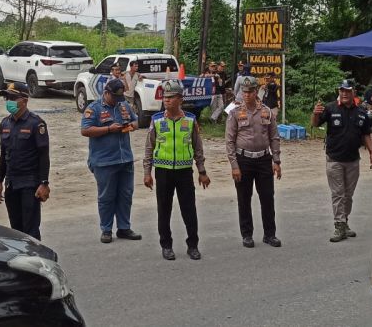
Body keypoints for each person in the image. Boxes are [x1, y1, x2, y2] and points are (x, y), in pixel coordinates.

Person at [143, 79, 211, 261]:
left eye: (171, 97)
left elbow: (198, 148)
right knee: (163, 210)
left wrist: (202, 171)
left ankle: (193, 245)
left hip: (184, 172)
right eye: (165, 97)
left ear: (180, 99)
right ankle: (166, 246)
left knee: (189, 210)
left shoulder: (190, 120)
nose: (167, 100)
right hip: (163, 172)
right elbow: (149, 148)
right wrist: (147, 172)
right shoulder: (156, 120)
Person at [311, 80, 372, 242]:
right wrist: (315, 113)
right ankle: (339, 225)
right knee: (338, 194)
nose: (344, 94)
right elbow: (314, 124)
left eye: (347, 91)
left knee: (348, 195)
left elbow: (366, 134)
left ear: (353, 92)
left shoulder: (361, 112)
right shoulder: (330, 108)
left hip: (353, 160)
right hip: (334, 159)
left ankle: (344, 221)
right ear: (339, 92)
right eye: (342, 91)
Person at [81, 78, 142, 244]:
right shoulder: (93, 109)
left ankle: (123, 228)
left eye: (119, 98)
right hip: (104, 161)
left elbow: (136, 120)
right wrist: (108, 129)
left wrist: (131, 125)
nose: (117, 101)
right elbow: (85, 130)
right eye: (114, 97)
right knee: (107, 197)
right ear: (106, 93)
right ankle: (106, 230)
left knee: (125, 195)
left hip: (125, 159)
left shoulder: (123, 105)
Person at [225, 75, 282, 248]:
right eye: (244, 91)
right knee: (244, 198)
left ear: (257, 91)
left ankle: (270, 234)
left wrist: (277, 160)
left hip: (264, 159)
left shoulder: (266, 111)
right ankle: (247, 234)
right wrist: (234, 165)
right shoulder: (235, 112)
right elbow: (229, 141)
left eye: (250, 91)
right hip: (244, 160)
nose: (247, 94)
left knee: (267, 197)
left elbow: (274, 137)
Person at [0, 83, 51, 240]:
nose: (8, 101)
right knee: (16, 229)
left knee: (30, 230)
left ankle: (35, 260)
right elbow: (4, 154)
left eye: (12, 98)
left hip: (29, 184)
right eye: (7, 98)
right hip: (11, 184)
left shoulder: (36, 124)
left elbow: (43, 155)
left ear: (24, 100)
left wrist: (44, 183)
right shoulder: (5, 123)